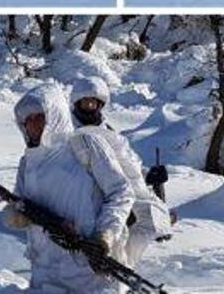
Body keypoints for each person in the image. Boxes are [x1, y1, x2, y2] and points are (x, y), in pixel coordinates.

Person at [4, 83, 136, 293]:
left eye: (39, 117)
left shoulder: (85, 145)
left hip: (91, 274)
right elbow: (20, 201)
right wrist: (15, 215)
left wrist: (105, 235)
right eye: (27, 120)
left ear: (54, 116)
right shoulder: (28, 161)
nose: (33, 124)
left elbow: (120, 192)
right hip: (45, 274)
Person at [68, 77, 173, 270]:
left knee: (151, 224)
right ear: (77, 103)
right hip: (108, 197)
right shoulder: (73, 133)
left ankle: (125, 269)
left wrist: (148, 175)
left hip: (133, 192)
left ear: (100, 104)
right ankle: (118, 270)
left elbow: (127, 162)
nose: (90, 106)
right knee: (124, 237)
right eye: (85, 102)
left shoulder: (108, 130)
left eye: (94, 102)